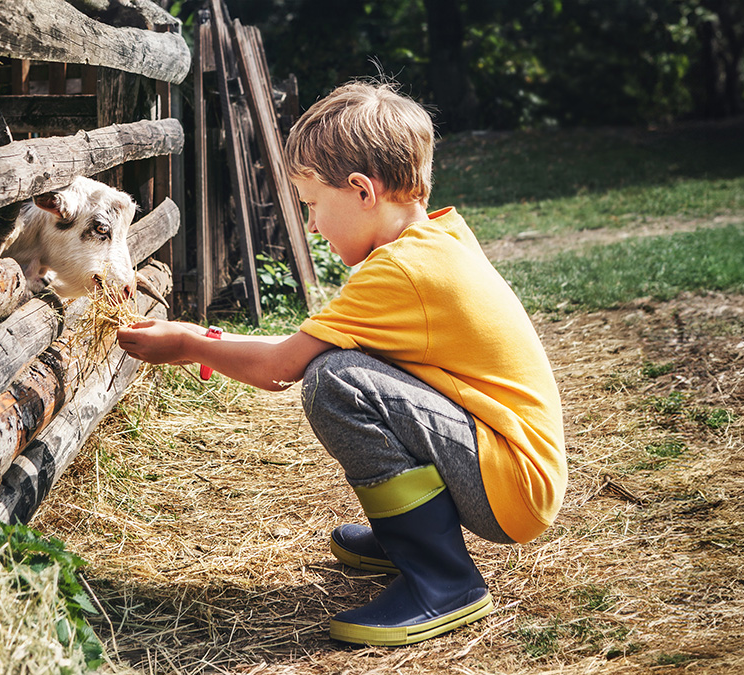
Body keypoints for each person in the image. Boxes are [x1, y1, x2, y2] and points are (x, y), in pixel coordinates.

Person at [115, 80, 566, 647]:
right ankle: (413, 539)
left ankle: (443, 581)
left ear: (360, 190)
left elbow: (281, 366)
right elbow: (314, 342)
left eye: (312, 205)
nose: (310, 227)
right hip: (513, 467)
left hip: (512, 486)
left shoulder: (398, 272)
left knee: (336, 383)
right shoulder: (437, 237)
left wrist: (189, 345)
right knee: (343, 366)